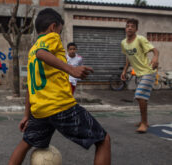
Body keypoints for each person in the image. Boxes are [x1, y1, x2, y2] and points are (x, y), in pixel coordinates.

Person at [8, 8, 111, 165]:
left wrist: (26, 115)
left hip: (40, 111)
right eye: (60, 31)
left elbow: (30, 85)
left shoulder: (32, 49)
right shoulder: (51, 38)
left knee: (25, 144)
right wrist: (72, 69)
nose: (60, 35)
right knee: (103, 140)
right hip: (60, 106)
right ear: (52, 27)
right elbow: (42, 53)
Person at [120, 18, 159, 133]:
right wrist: (124, 70)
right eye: (128, 26)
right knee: (142, 99)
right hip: (139, 74)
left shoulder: (140, 39)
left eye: (132, 26)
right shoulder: (123, 43)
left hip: (148, 71)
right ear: (125, 28)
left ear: (136, 29)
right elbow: (128, 57)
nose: (130, 28)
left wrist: (155, 58)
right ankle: (144, 121)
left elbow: (155, 51)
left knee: (139, 96)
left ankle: (144, 123)